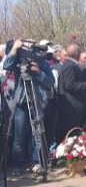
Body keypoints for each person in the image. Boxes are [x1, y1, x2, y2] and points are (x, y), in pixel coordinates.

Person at [3, 39, 55, 174]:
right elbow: (6, 65)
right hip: (20, 102)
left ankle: (36, 162)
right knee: (19, 135)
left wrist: (38, 72)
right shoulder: (18, 61)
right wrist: (14, 49)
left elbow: (50, 83)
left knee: (37, 134)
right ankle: (18, 164)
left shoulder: (42, 63)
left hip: (37, 102)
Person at [57, 43, 86, 142]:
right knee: (72, 134)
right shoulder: (70, 65)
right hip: (72, 106)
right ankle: (70, 155)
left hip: (73, 105)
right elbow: (69, 85)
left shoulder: (70, 64)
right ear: (77, 53)